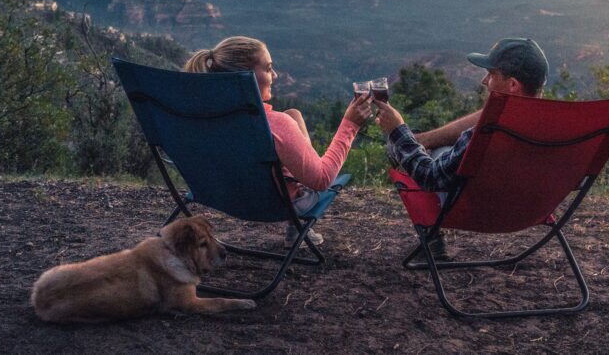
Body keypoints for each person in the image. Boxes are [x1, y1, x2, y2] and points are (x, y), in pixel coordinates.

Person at [184, 36, 373, 248]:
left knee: (294, 114)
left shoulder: (199, 117)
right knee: (312, 165)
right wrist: (350, 124)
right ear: (246, 76)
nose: (275, 75)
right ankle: (297, 226)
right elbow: (322, 180)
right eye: (268, 68)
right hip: (275, 204)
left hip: (220, 195)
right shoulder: (275, 126)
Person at [373, 38, 549, 257]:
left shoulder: (488, 134)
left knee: (413, 150)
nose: (485, 81)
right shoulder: (559, 128)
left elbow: (430, 176)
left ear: (512, 85)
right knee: (431, 147)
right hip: (532, 209)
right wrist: (422, 140)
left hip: (476, 209)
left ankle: (432, 239)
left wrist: (398, 131)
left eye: (492, 74)